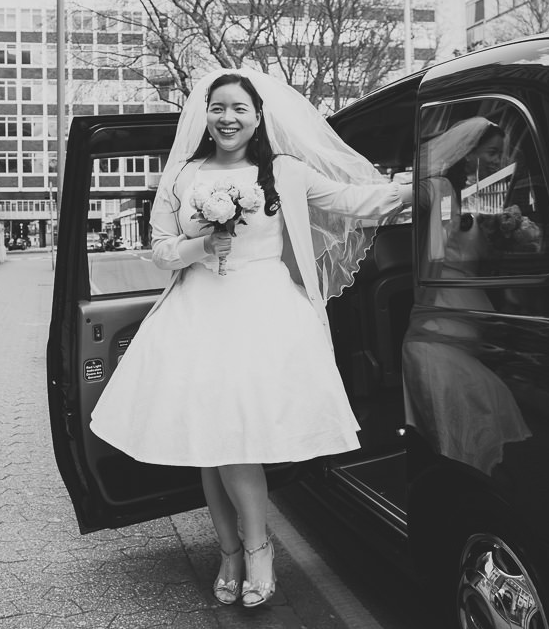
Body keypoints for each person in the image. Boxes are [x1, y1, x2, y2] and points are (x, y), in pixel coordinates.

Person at [89, 69, 413, 608]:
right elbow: (163, 251)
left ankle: (255, 549)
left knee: (234, 440)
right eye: (218, 108)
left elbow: (354, 201)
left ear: (258, 117)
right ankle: (232, 552)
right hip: (196, 313)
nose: (227, 118)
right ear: (204, 114)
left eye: (239, 108)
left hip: (263, 313)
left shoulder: (284, 171)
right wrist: (206, 241)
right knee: (209, 447)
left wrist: (414, 188)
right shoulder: (183, 176)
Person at [403, 116, 533, 475]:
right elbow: (434, 248)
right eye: (491, 152)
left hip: (472, 311)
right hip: (443, 315)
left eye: (501, 153)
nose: (497, 160)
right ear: (467, 152)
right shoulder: (441, 190)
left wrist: (510, 233)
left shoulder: (478, 199)